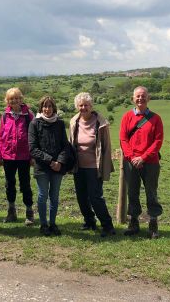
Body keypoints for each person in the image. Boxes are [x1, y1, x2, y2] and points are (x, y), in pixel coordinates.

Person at [119, 86, 163, 239]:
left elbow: (158, 141)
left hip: (150, 162)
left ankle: (153, 223)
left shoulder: (156, 118)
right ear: (133, 99)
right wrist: (132, 157)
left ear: (148, 98)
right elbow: (123, 139)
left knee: (151, 192)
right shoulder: (126, 117)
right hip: (131, 161)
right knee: (132, 192)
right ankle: (134, 222)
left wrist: (143, 157)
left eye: (143, 96)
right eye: (137, 96)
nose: (140, 99)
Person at [69, 92, 115, 237]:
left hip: (95, 167)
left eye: (86, 105)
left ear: (91, 106)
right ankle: (89, 221)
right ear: (77, 106)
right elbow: (71, 144)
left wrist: (106, 168)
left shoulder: (100, 123)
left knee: (95, 197)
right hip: (78, 166)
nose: (84, 108)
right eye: (81, 105)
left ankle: (107, 225)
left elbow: (107, 147)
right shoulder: (74, 122)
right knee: (81, 197)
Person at [29, 96, 74, 236]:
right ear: (41, 108)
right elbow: (33, 148)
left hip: (58, 167)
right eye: (44, 106)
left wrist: (59, 162)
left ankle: (53, 224)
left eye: (49, 106)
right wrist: (50, 161)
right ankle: (43, 225)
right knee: (42, 196)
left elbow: (65, 145)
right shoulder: (34, 124)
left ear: (54, 108)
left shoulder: (60, 124)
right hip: (42, 167)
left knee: (54, 196)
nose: (47, 109)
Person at [0, 87, 35, 225]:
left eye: (17, 98)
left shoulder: (28, 115)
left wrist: (33, 156)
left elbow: (33, 137)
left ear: (21, 99)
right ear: (8, 100)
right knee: (9, 185)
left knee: (25, 185)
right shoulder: (5, 115)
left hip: (24, 156)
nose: (15, 100)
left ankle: (29, 213)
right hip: (8, 156)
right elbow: (1, 136)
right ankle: (11, 212)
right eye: (12, 98)